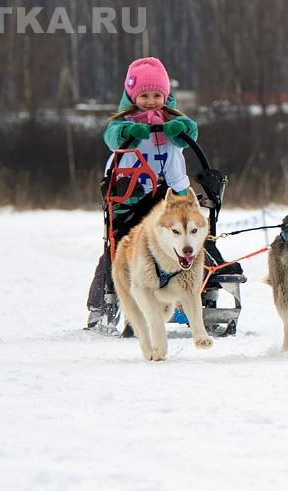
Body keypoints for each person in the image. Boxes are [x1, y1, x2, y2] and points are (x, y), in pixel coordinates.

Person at [86, 57, 198, 330]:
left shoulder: (174, 119)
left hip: (171, 198)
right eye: (144, 96)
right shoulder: (121, 122)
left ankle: (185, 301)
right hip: (130, 197)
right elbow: (112, 139)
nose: (151, 101)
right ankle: (104, 303)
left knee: (184, 249)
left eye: (157, 95)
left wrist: (181, 129)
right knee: (123, 249)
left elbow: (192, 132)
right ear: (133, 95)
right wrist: (130, 131)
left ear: (165, 95)